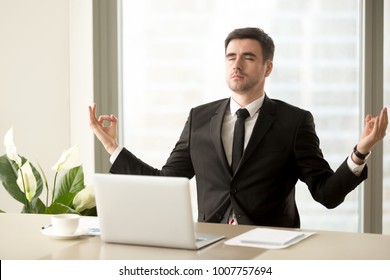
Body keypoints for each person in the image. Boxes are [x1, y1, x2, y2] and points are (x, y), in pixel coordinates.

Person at [89, 27, 388, 228]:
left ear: (267, 67)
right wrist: (113, 148)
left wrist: (361, 151)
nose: (237, 64)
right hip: (209, 250)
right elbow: (165, 185)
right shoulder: (199, 119)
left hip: (272, 252)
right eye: (231, 57)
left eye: (248, 57)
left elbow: (326, 194)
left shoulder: (294, 122)